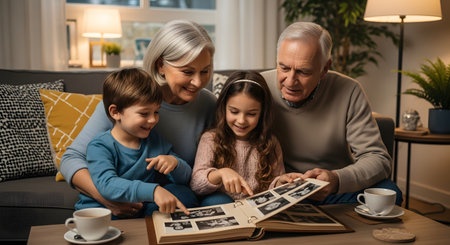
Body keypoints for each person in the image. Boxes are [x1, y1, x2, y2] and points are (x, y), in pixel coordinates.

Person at [61, 20, 216, 217]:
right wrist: (108, 199)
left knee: (187, 197)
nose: (198, 82)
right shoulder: (128, 98)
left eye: (205, 71)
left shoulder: (210, 104)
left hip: (167, 196)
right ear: (161, 65)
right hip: (126, 197)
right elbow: (71, 159)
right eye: (187, 71)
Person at [260, 22, 402, 205]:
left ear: (325, 69)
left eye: (303, 72)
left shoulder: (349, 91)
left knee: (391, 194)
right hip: (281, 189)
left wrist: (336, 179)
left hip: (334, 190)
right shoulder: (259, 87)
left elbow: (378, 159)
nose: (291, 81)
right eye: (284, 68)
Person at [76, 68, 194, 218]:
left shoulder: (155, 141)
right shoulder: (100, 146)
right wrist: (154, 190)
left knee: (183, 193)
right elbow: (107, 184)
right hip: (102, 213)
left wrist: (175, 163)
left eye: (156, 112)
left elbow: (185, 177)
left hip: (138, 209)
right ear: (115, 112)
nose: (153, 120)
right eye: (144, 113)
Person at [190, 71, 302, 206]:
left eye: (251, 114)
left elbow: (274, 186)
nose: (241, 120)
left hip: (256, 208)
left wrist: (281, 182)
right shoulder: (210, 139)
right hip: (222, 207)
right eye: (234, 111)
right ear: (224, 107)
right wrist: (220, 174)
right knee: (217, 200)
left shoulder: (270, 143)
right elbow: (196, 184)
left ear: (262, 113)